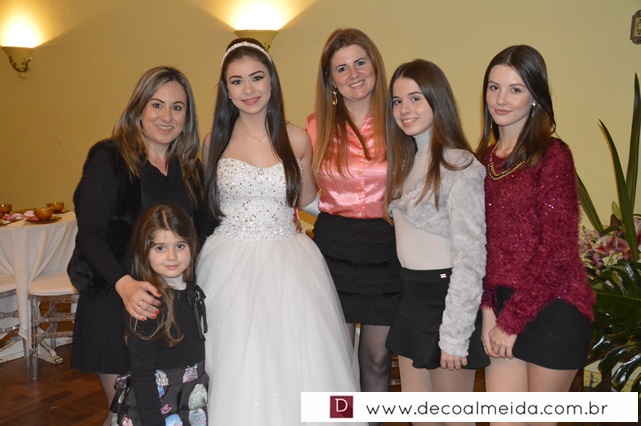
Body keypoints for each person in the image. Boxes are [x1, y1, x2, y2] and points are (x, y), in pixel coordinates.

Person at [196, 38, 362, 425]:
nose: (248, 89)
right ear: (226, 90)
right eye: (236, 81)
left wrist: (362, 211)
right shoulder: (213, 142)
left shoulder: (297, 137)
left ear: (271, 80)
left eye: (257, 77)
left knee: (298, 357)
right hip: (229, 263)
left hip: (290, 260)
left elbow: (308, 200)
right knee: (237, 358)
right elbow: (207, 207)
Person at [68, 66, 208, 426]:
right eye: (156, 105)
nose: (166, 116)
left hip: (169, 310)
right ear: (139, 109)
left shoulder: (189, 168)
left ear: (187, 117)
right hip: (115, 299)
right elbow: (90, 234)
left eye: (177, 107)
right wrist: (125, 285)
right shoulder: (110, 157)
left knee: (166, 408)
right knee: (125, 412)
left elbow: (203, 232)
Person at [476, 45, 595, 408]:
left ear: (535, 97)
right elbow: (478, 243)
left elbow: (558, 250)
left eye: (515, 89)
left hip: (554, 305)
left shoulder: (553, 155)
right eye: (494, 87)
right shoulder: (481, 160)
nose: (501, 99)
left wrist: (511, 321)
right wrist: (488, 309)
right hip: (501, 306)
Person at [384, 59, 489, 425]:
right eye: (397, 101)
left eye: (415, 98)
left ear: (437, 99)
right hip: (412, 300)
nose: (405, 109)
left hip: (446, 304)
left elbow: (471, 257)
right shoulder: (405, 163)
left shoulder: (460, 165)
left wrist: (455, 335)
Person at [306, 28, 402, 405]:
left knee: (376, 359)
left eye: (360, 62)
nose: (354, 74)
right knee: (337, 359)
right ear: (330, 79)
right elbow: (301, 193)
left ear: (375, 65)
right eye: (342, 68)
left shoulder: (400, 120)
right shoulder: (315, 126)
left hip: (387, 248)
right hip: (333, 249)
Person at [111, 203, 208, 425]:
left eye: (180, 245)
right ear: (144, 252)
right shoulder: (147, 304)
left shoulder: (192, 291)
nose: (172, 257)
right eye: (160, 248)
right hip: (156, 406)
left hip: (191, 397)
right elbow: (143, 374)